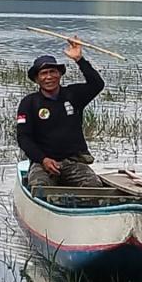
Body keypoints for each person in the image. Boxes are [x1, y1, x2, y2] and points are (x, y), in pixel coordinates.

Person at [17, 37, 105, 188]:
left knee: (94, 187)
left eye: (53, 72)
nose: (49, 77)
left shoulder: (73, 95)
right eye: (44, 73)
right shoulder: (29, 103)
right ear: (37, 79)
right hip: (42, 163)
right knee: (39, 188)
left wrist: (79, 59)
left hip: (73, 162)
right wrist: (43, 159)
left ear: (60, 74)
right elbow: (23, 137)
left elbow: (97, 84)